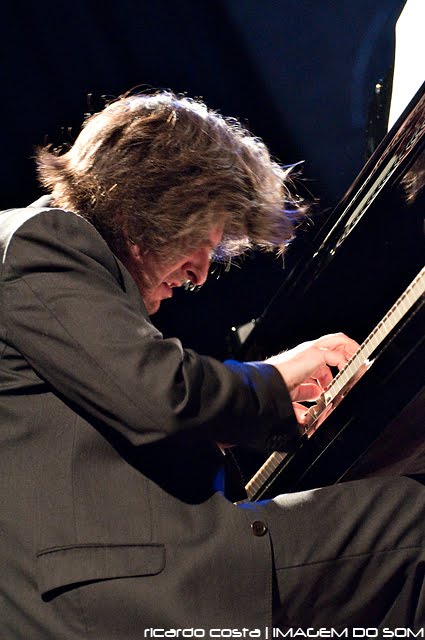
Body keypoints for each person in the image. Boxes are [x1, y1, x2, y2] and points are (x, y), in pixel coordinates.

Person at [0, 91, 424, 639]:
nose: (201, 273)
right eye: (204, 237)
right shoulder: (42, 240)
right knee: (412, 522)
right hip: (126, 589)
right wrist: (278, 376)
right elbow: (161, 396)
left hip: (110, 585)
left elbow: (108, 428)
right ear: (154, 202)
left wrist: (240, 420)